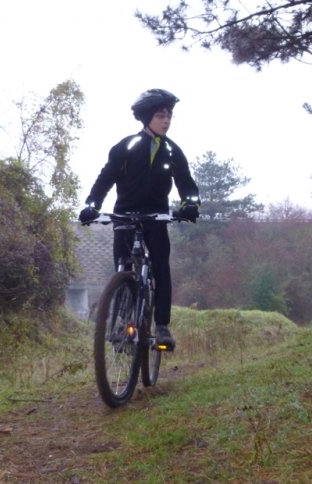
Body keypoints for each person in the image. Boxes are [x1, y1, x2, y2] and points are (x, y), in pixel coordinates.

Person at [78, 88, 200, 349]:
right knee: (123, 267)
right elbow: (105, 178)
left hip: (156, 218)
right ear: (147, 118)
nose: (166, 121)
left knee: (160, 267)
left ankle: (162, 326)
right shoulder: (126, 146)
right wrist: (92, 205)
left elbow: (186, 184)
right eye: (160, 115)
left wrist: (190, 204)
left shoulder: (172, 151)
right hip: (124, 214)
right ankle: (123, 324)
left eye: (169, 116)